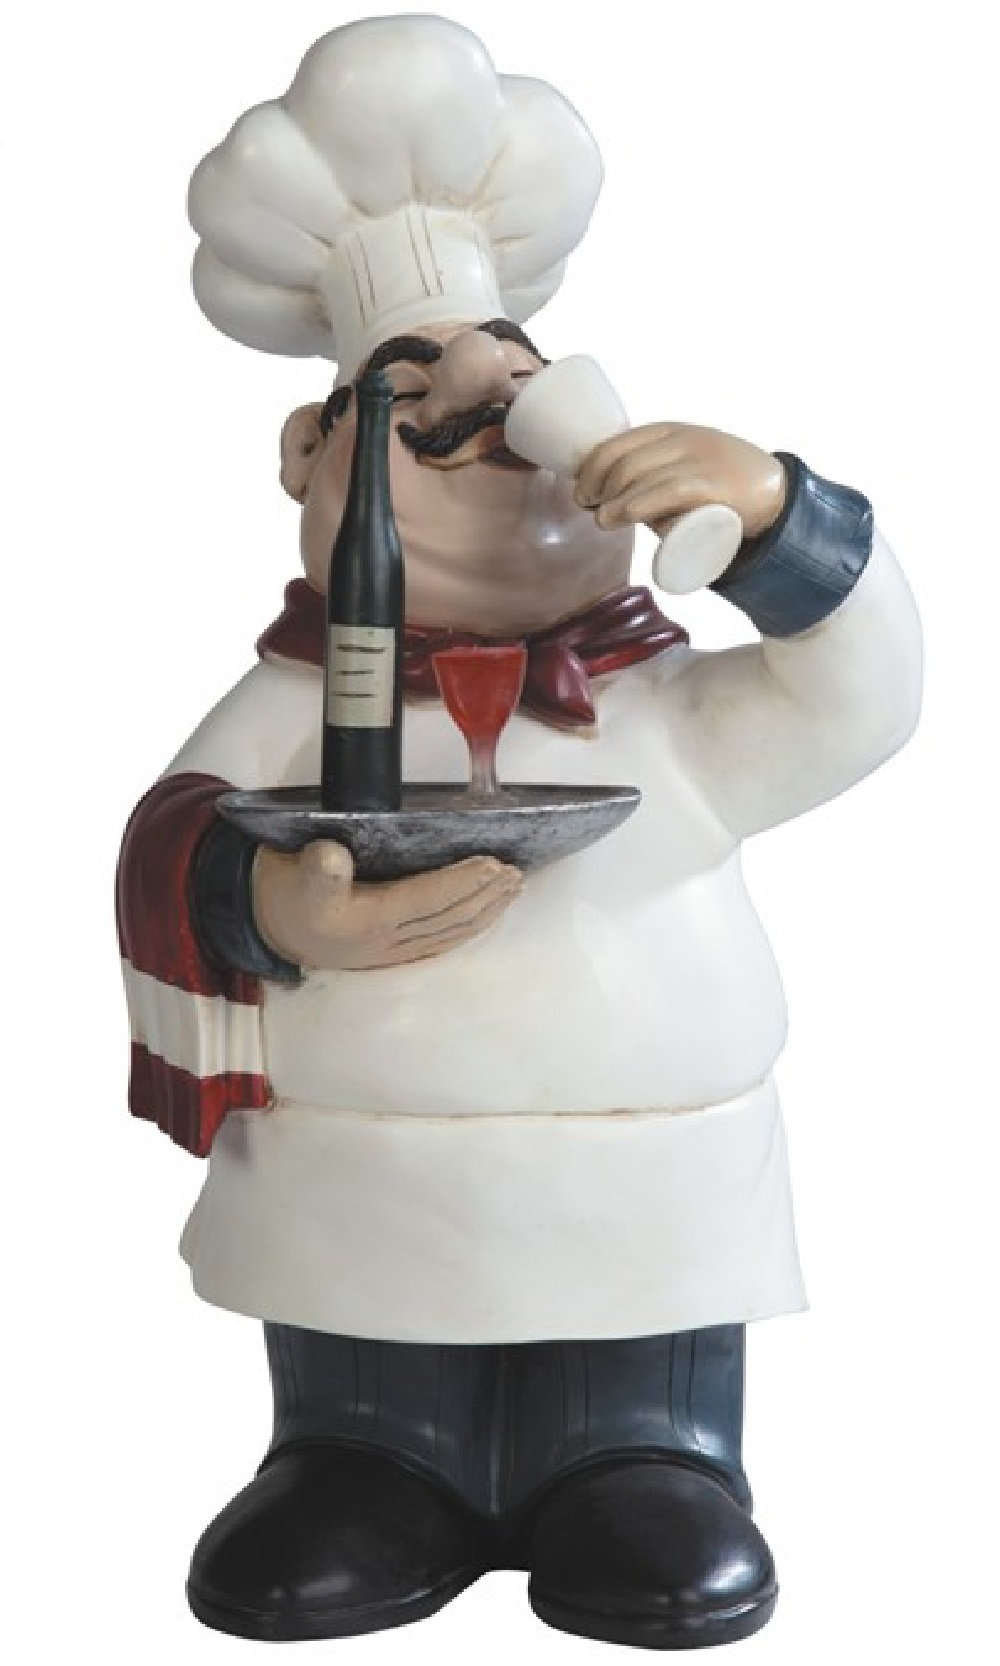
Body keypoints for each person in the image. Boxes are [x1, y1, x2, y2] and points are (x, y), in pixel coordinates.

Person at [115, 17, 922, 1651]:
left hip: (647, 1201)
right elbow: (168, 840)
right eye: (422, 418)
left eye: (521, 408)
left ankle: (651, 1452)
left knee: (639, 1411)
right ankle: (365, 1456)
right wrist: (275, 903)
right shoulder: (302, 693)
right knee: (367, 1374)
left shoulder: (673, 709)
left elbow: (868, 697)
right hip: (367, 1195)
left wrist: (778, 515)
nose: (490, 440)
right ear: (312, 460)